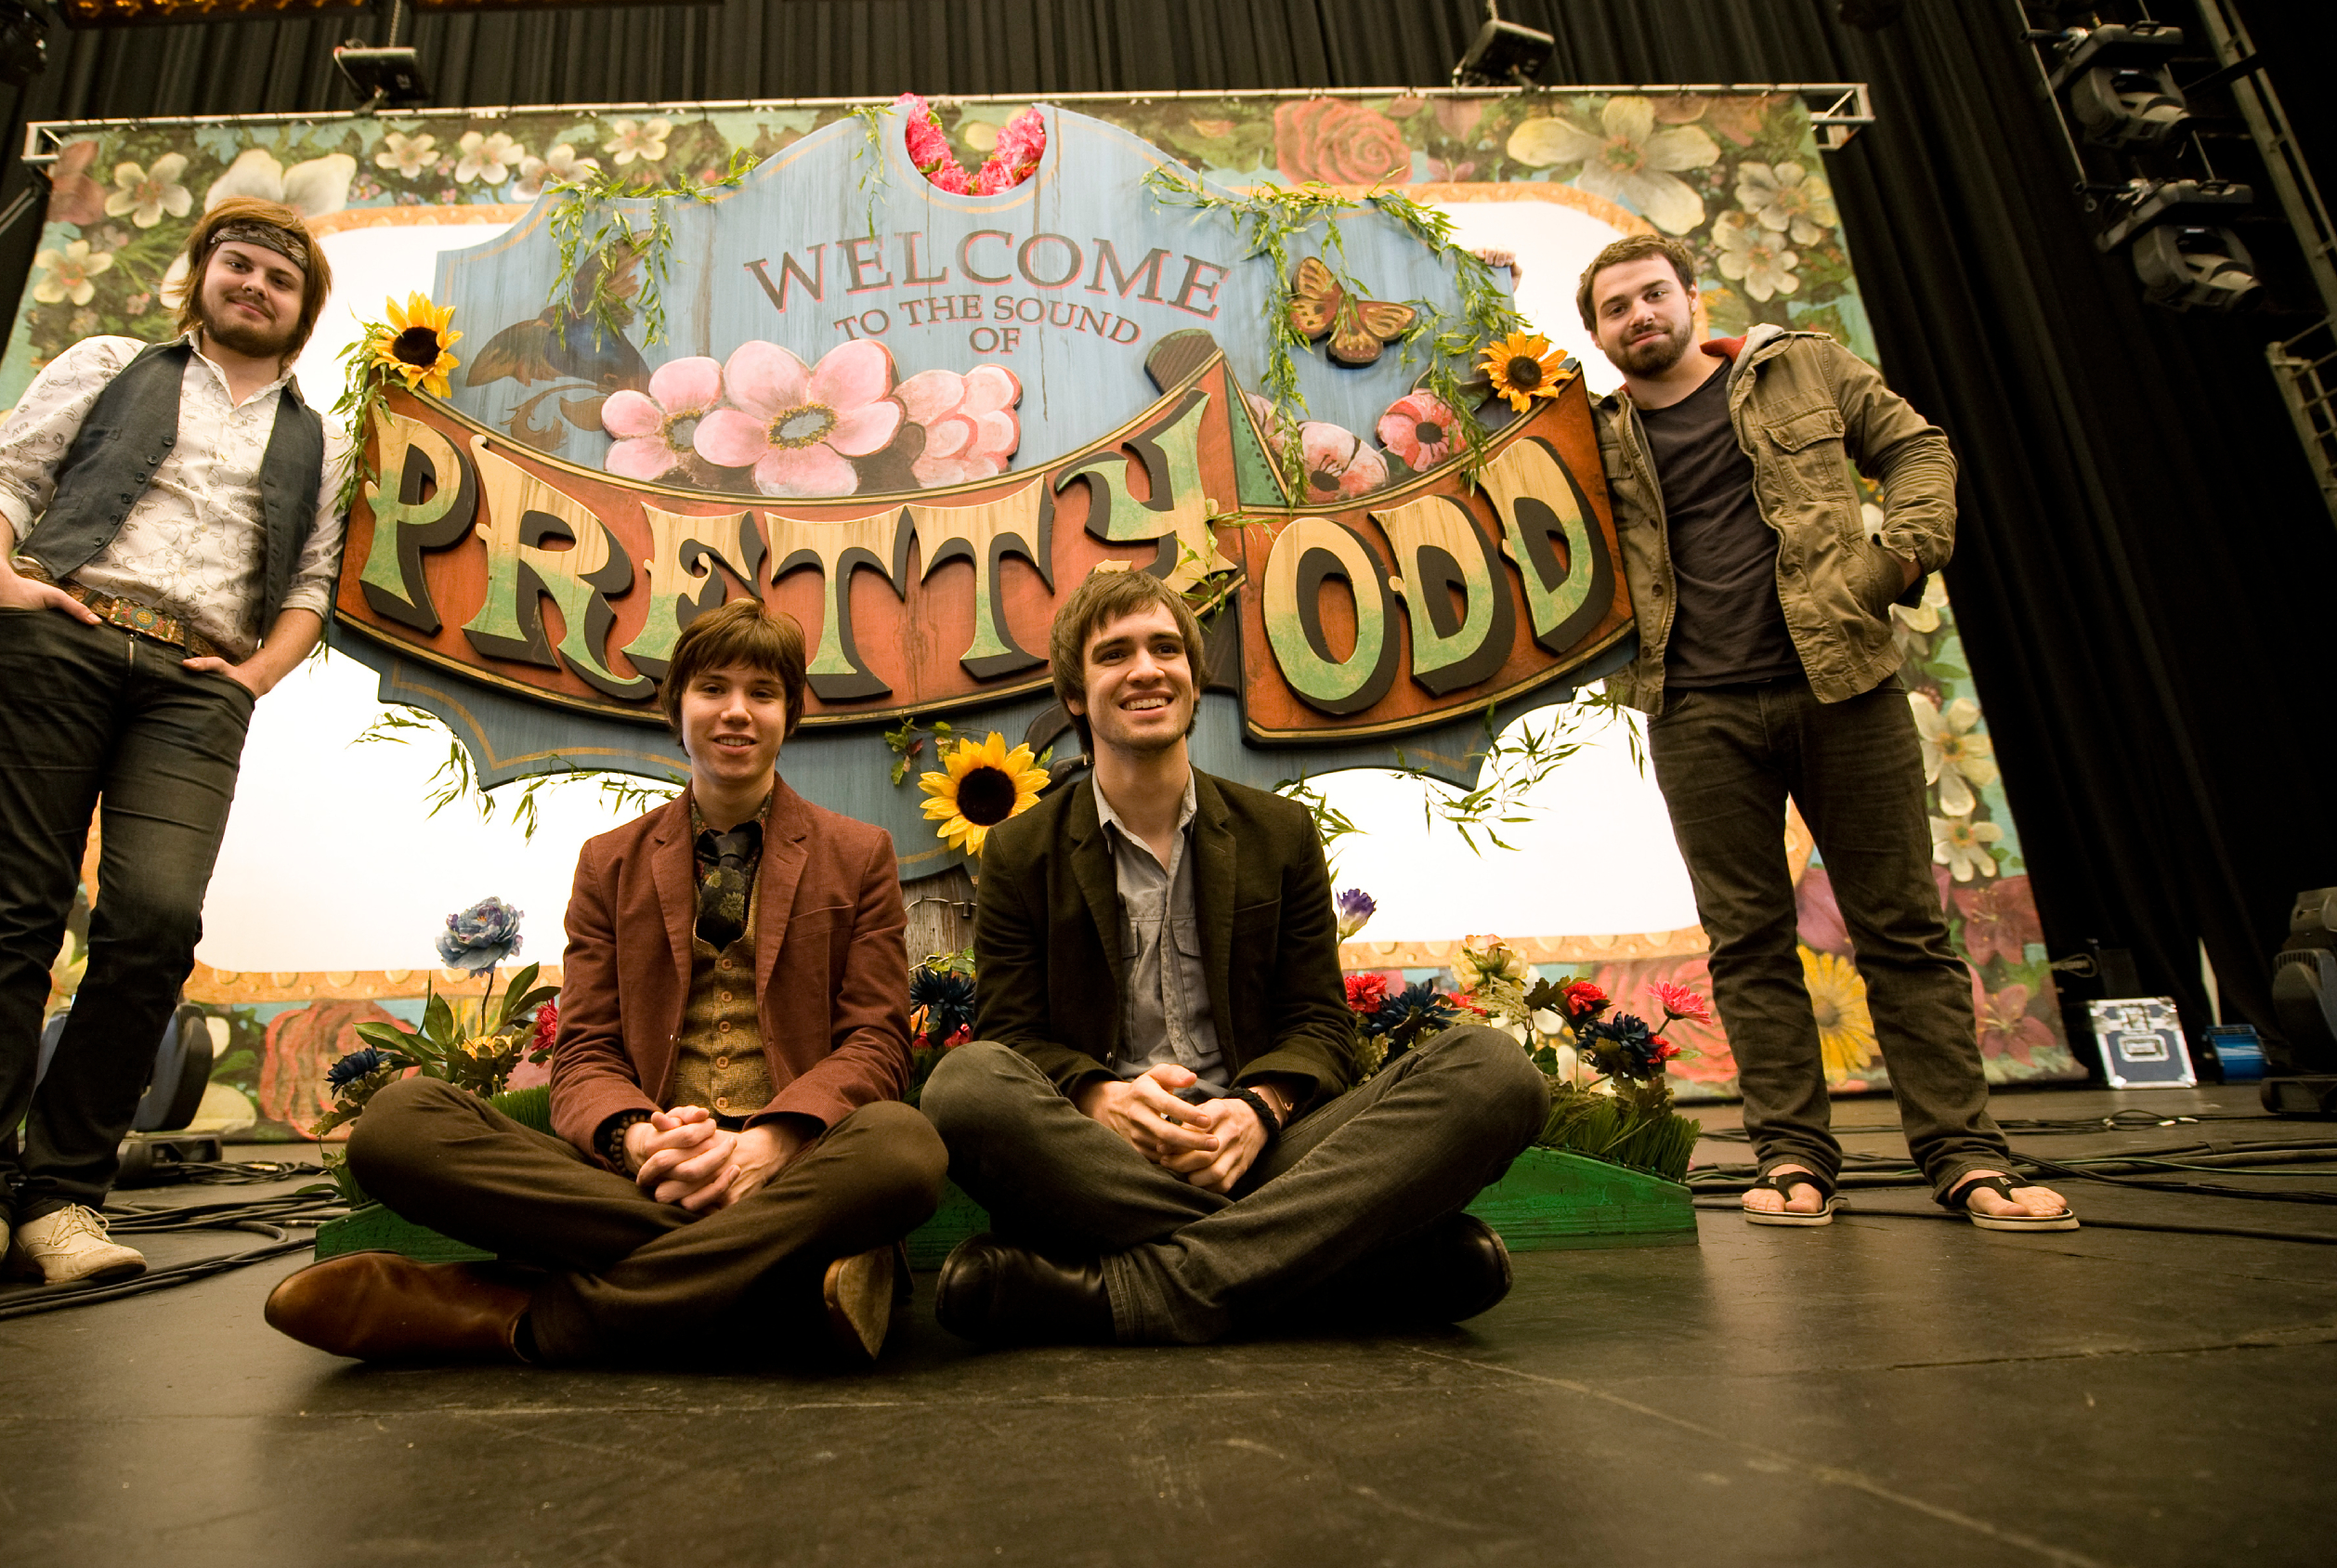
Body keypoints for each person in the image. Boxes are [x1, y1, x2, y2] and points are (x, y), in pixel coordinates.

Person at [0, 197, 349, 1309]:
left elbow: (313, 584)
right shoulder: (109, 363)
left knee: (152, 922)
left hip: (193, 683)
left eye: (280, 281)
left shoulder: (317, 438)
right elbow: (1, 478)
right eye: (239, 266)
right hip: (60, 637)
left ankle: (62, 1198)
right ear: (204, 275)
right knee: (12, 912)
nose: (255, 288)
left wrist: (253, 676)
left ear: (302, 313)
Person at [262, 599, 947, 1367]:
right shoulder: (608, 863)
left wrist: (775, 1144)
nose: (736, 713)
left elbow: (877, 1043)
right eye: (712, 689)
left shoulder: (858, 854)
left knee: (905, 1148)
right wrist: (637, 1138)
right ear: (676, 708)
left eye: (762, 693)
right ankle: (783, 1282)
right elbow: (585, 1050)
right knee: (398, 1123)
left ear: (790, 714)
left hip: (798, 1170)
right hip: (640, 1179)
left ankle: (518, 1316)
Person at [1577, 233, 2074, 1232]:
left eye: (1652, 295)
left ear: (1690, 297)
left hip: (1841, 683)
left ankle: (1968, 1160)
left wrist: (1900, 558)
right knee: (1748, 942)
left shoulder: (1798, 365)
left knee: (1900, 930)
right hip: (1697, 707)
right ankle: (1795, 1161)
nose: (1639, 316)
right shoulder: (1595, 435)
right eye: (1615, 308)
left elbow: (1918, 447)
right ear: (1594, 334)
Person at [919, 568, 1548, 1346]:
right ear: (1076, 694)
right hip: (1101, 1162)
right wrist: (1100, 1101)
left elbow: (1320, 1026)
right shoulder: (1022, 850)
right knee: (965, 1088)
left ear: (1192, 675)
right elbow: (1011, 1038)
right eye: (1115, 654)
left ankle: (1126, 1293)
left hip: (1268, 1153)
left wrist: (1258, 1109)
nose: (1147, 669)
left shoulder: (1277, 833)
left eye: (1166, 648)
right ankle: (1350, 1266)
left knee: (1493, 1074)